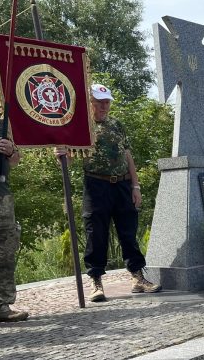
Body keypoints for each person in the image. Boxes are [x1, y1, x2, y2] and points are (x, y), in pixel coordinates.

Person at [55, 84, 161, 303]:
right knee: (96, 234)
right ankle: (96, 281)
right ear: (90, 102)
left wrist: (135, 186)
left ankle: (138, 277)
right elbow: (69, 159)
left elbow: (127, 155)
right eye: (100, 102)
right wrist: (61, 154)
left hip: (122, 184)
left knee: (128, 232)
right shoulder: (80, 127)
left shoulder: (116, 124)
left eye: (107, 102)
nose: (104, 106)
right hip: (96, 185)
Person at [0, 109, 28, 325]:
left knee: (3, 254)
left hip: (0, 198)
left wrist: (10, 151)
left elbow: (16, 160)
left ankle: (0, 307)